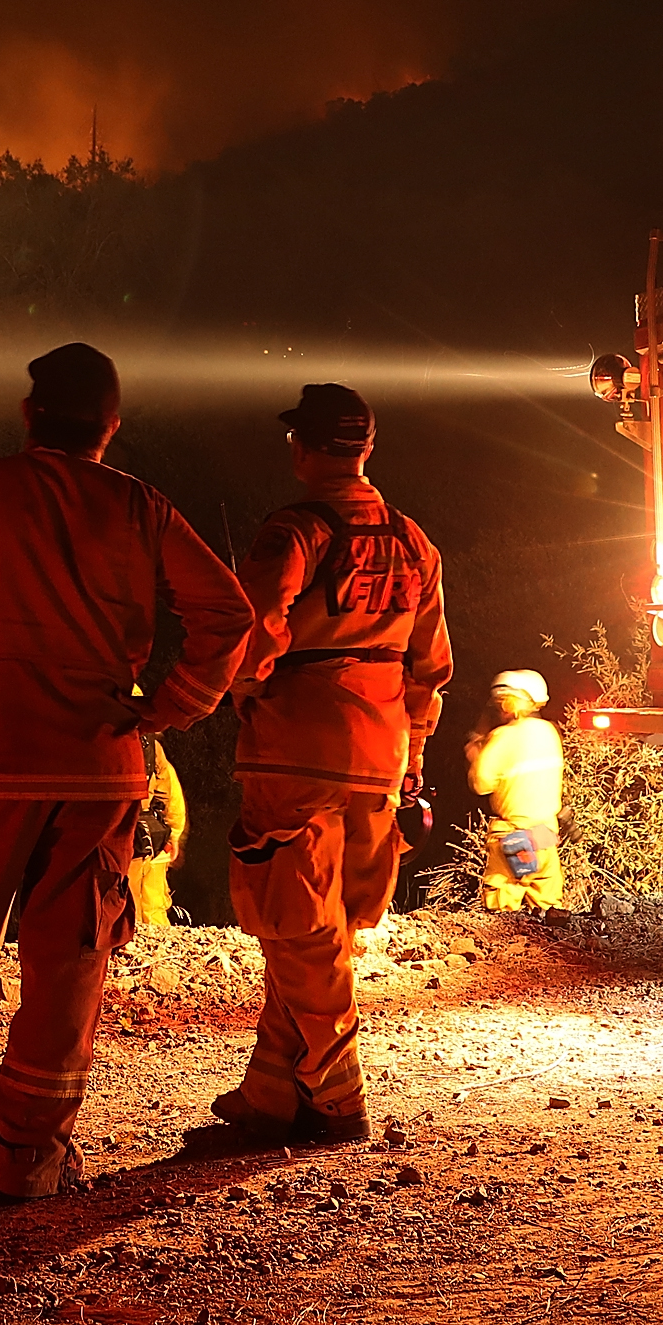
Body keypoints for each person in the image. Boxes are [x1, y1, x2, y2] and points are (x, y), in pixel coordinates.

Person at [0, 343, 253, 1202]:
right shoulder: (139, 506)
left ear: (30, 415)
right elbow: (229, 613)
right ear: (110, 427)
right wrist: (170, 706)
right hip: (97, 775)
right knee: (69, 965)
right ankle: (32, 1161)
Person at [206, 383, 452, 1146]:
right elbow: (429, 667)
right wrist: (411, 754)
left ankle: (338, 1093)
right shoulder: (417, 543)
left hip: (296, 747)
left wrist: (244, 686)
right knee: (324, 927)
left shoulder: (296, 532)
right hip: (380, 755)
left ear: (302, 448)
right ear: (368, 449)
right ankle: (272, 1092)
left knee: (293, 924)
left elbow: (252, 637)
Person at [467, 670, 566, 911]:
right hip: (544, 835)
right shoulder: (549, 733)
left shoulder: (502, 737)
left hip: (513, 837)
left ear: (511, 703)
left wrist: (476, 753)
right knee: (549, 908)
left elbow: (480, 784)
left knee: (501, 907)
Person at [128, 736, 188, 928]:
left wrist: (173, 835)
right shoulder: (151, 747)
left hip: (129, 835)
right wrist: (172, 834)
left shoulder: (109, 739)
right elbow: (169, 792)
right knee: (152, 907)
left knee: (129, 902)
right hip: (148, 836)